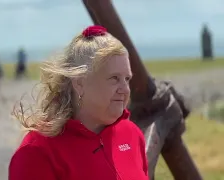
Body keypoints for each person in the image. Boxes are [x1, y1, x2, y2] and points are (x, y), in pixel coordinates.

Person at [9, 25, 149, 180]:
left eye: (127, 79)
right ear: (80, 83)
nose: (125, 89)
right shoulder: (38, 151)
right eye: (114, 78)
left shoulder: (132, 134)